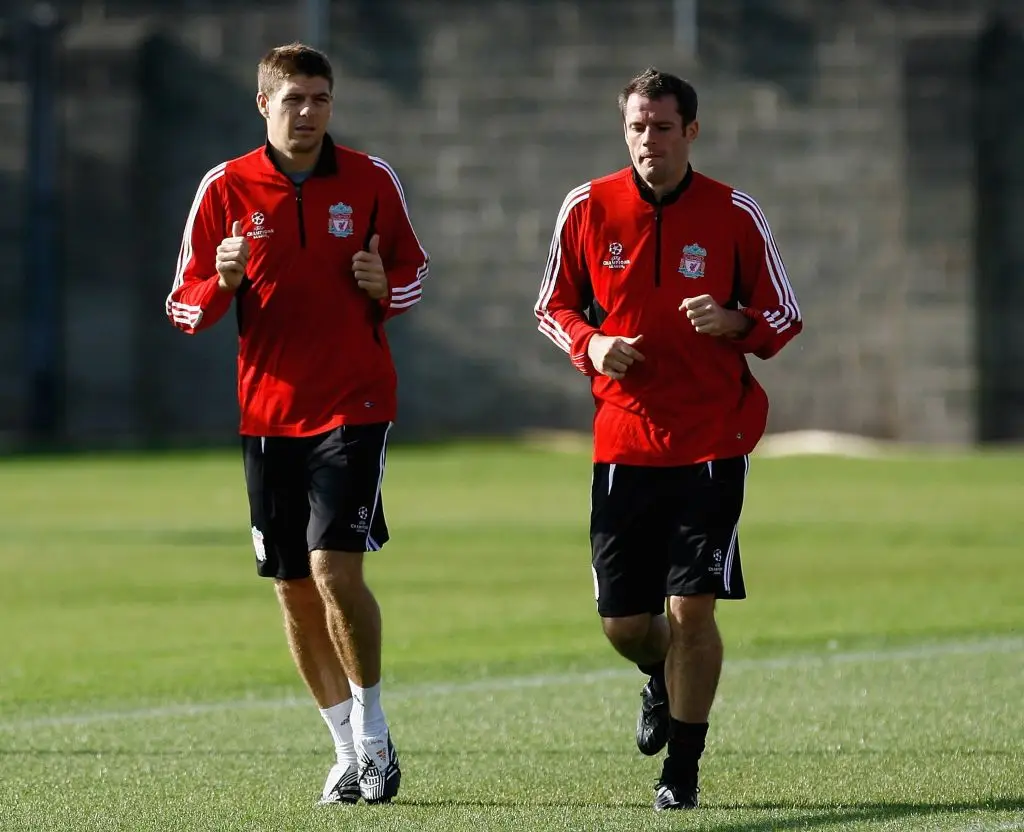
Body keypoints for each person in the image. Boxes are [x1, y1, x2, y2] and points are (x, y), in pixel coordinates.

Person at [165, 43, 429, 806]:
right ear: (263, 105)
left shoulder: (372, 180)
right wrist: (222, 281)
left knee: (333, 569)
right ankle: (346, 749)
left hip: (355, 403)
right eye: (293, 100)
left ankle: (374, 735)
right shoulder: (225, 187)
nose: (308, 113)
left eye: (319, 99)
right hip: (269, 415)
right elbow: (183, 308)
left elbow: (413, 273)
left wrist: (385, 287)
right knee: (292, 588)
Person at [534, 66, 802, 811]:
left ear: (691, 131)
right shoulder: (587, 207)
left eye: (661, 126)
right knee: (624, 624)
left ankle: (681, 771)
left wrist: (734, 320)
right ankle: (659, 676)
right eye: (636, 126)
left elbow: (784, 314)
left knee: (692, 609)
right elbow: (551, 306)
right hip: (623, 440)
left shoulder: (734, 212)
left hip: (712, 440)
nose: (648, 139)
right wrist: (591, 343)